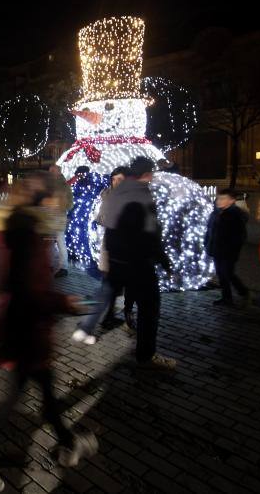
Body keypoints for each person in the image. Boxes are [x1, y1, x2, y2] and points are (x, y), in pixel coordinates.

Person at [0, 173, 98, 493]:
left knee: (43, 391)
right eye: (56, 201)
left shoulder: (25, 229)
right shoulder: (27, 233)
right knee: (14, 400)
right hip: (27, 329)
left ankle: (67, 441)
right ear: (45, 202)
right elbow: (28, 289)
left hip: (27, 327)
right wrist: (66, 302)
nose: (60, 208)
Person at [99, 156, 175, 371]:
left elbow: (109, 229)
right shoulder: (142, 194)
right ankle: (146, 354)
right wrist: (164, 261)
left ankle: (128, 327)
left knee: (134, 301)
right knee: (150, 309)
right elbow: (151, 233)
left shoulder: (116, 194)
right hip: (139, 262)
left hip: (119, 261)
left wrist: (112, 260)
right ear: (147, 174)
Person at [72, 166, 129, 344]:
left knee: (111, 289)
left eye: (121, 179)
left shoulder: (127, 197)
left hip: (122, 249)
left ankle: (105, 317)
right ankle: (88, 325)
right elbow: (100, 218)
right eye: (115, 179)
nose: (117, 182)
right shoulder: (109, 196)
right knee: (107, 289)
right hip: (113, 249)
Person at [206, 188, 251, 306]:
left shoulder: (235, 216)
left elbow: (240, 236)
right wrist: (207, 243)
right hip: (216, 249)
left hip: (228, 251)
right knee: (223, 274)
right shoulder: (215, 213)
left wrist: (232, 249)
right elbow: (209, 230)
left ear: (231, 201)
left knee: (227, 273)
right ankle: (230, 296)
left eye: (223, 198)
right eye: (218, 198)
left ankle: (239, 293)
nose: (218, 201)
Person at [48, 164, 73, 277]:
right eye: (50, 171)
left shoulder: (63, 186)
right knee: (49, 241)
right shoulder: (50, 184)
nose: (50, 173)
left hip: (58, 216)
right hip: (49, 216)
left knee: (59, 241)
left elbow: (69, 203)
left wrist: (60, 207)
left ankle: (63, 267)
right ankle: (51, 264)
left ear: (58, 172)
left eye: (52, 171)